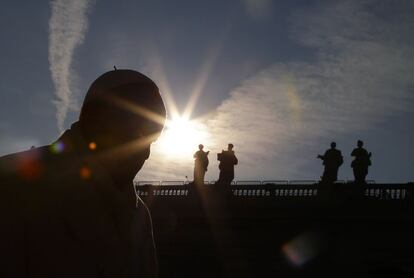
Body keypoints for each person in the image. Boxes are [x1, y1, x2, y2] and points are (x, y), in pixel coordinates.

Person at [0, 69, 166, 278]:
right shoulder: (11, 185)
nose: (147, 153)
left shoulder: (141, 215)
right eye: (138, 131)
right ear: (97, 119)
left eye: (152, 139)